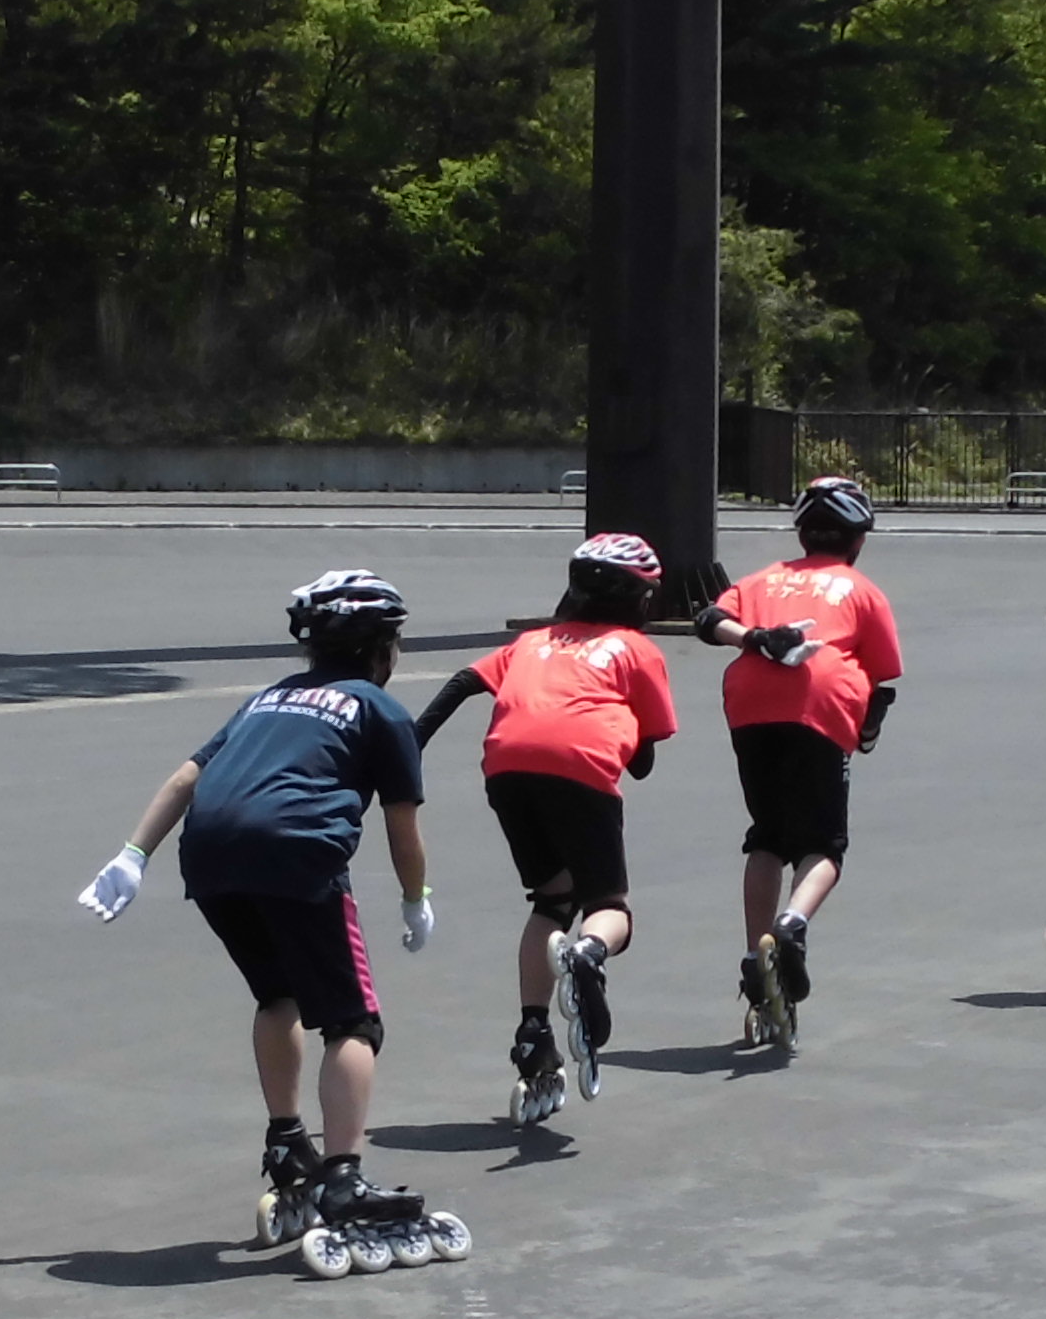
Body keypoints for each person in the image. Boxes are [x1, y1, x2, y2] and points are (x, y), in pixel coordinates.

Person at [79, 568, 464, 1274]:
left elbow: (188, 777)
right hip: (299, 857)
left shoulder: (268, 699)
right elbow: (402, 826)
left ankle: (287, 1138)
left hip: (211, 857)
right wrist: (417, 896)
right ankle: (344, 1177)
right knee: (351, 1023)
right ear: (384, 649)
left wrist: (133, 855)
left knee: (276, 994)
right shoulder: (379, 711)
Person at [412, 532, 678, 1117]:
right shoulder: (636, 650)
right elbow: (645, 760)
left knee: (551, 899)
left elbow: (463, 681)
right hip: (580, 769)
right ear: (641, 601)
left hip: (505, 768)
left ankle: (533, 1030)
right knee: (610, 907)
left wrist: (413, 741)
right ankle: (587, 954)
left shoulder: (531, 642)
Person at [689, 475, 904, 1051]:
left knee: (767, 835)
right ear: (857, 540)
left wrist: (756, 637)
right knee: (823, 845)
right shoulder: (860, 589)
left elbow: (707, 620)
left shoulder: (764, 579)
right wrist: (867, 727)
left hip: (750, 703)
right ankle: (792, 924)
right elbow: (882, 674)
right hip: (821, 705)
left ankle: (756, 948)